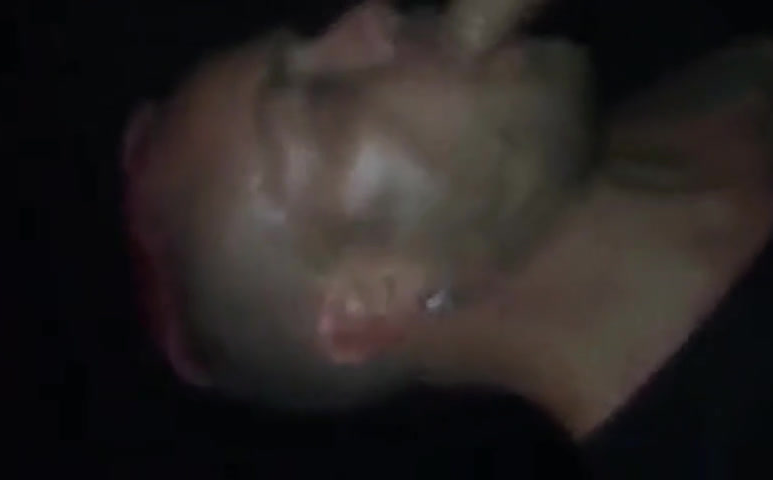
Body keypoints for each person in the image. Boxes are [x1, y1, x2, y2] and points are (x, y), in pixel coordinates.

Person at [122, 0, 772, 474]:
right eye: (322, 99)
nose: (369, 16)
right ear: (372, 301)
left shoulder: (666, 39)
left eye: (314, 40)